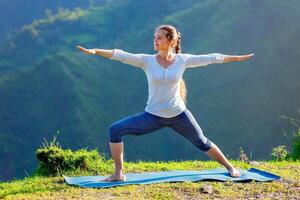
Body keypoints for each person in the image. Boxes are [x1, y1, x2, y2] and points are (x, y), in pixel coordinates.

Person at [77, 24, 254, 182]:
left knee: (202, 142)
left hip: (179, 115)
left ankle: (230, 167)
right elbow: (121, 55)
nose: (155, 40)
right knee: (115, 130)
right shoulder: (146, 60)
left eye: (159, 37)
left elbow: (212, 58)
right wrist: (96, 51)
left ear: (170, 40)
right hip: (152, 116)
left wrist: (235, 58)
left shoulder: (183, 60)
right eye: (154, 37)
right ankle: (118, 173)